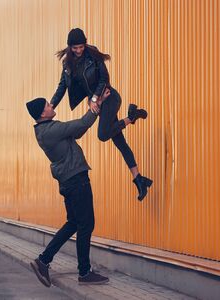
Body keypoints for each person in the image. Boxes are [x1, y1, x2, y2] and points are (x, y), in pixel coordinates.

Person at [51, 28, 153, 201]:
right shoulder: (67, 64)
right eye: (75, 48)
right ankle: (139, 178)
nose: (79, 50)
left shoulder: (92, 55)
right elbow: (62, 87)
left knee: (103, 134)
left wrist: (94, 98)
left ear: (85, 44)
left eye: (81, 46)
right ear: (69, 47)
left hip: (109, 98)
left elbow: (104, 78)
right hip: (99, 103)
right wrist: (52, 105)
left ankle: (132, 116)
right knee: (120, 142)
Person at [26, 89, 111, 287]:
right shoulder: (51, 130)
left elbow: (79, 130)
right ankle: (84, 272)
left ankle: (43, 260)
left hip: (69, 181)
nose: (51, 105)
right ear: (42, 113)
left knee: (74, 222)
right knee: (86, 224)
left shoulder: (46, 130)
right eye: (47, 105)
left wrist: (94, 110)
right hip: (76, 180)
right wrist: (95, 106)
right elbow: (81, 124)